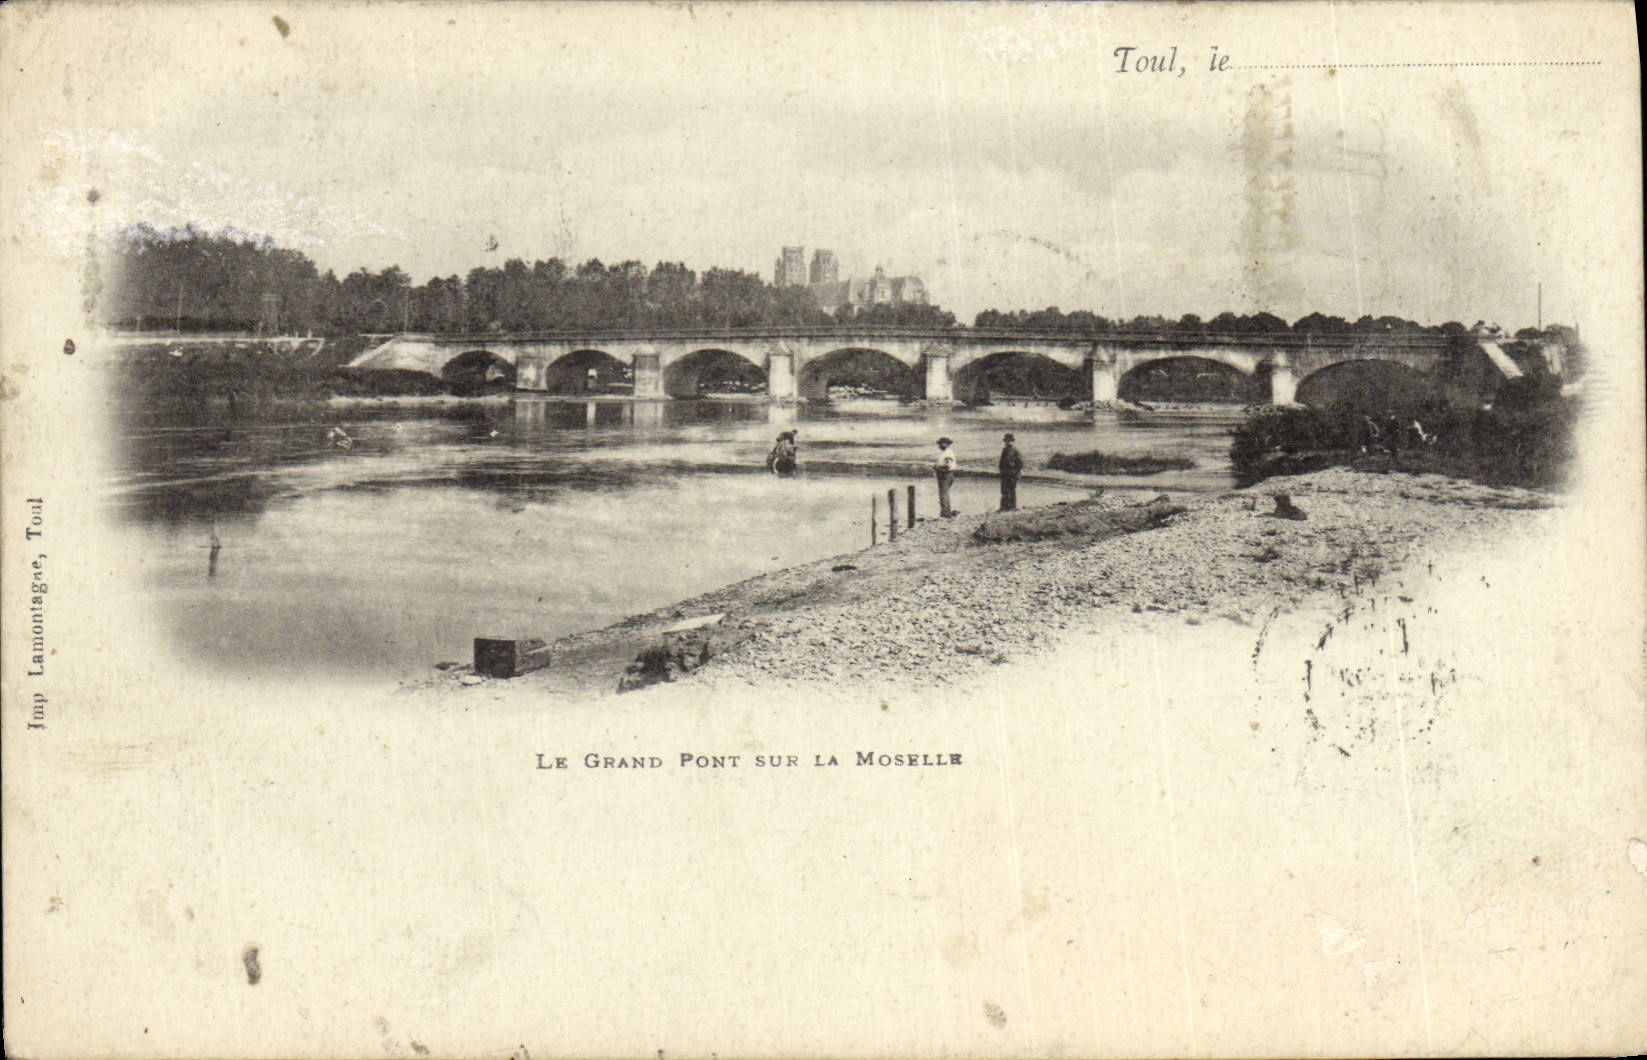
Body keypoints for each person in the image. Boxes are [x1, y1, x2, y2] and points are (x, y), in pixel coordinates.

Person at [998, 432, 1024, 511]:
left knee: (1011, 490)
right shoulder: (1004, 450)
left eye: (1009, 441)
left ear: (1012, 441)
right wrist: (1001, 471)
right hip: (1005, 473)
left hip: (1012, 473)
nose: (1007, 442)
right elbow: (1001, 462)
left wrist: (1016, 471)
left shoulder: (1015, 450)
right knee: (1004, 490)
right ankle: (1004, 507)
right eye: (1006, 441)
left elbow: (1020, 462)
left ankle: (1012, 507)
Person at [934, 436, 958, 517]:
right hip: (946, 474)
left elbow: (948, 465)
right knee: (944, 494)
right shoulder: (947, 452)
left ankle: (945, 514)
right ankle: (946, 512)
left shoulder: (948, 453)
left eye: (941, 444)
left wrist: (938, 468)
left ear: (946, 444)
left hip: (945, 475)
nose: (939, 446)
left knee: (943, 495)